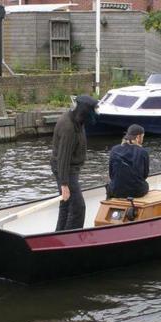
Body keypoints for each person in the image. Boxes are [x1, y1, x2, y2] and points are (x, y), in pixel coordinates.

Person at [50, 95, 98, 231]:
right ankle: (71, 238)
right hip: (65, 169)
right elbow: (63, 157)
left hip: (69, 169)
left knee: (66, 205)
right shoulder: (68, 127)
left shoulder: (77, 121)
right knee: (78, 207)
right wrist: (64, 184)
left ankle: (59, 235)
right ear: (85, 111)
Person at [107, 124, 149, 199]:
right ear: (138, 137)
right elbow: (145, 175)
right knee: (145, 185)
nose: (142, 140)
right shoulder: (143, 152)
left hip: (116, 191)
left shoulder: (114, 149)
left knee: (112, 184)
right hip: (137, 192)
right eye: (142, 137)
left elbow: (111, 174)